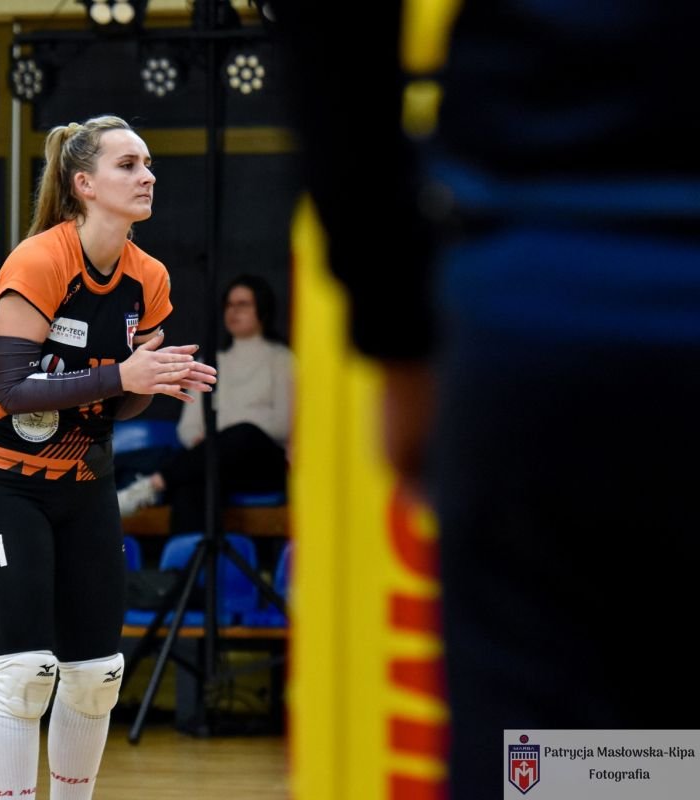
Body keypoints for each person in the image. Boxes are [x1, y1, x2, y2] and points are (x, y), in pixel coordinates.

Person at [278, 2, 700, 796]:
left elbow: (333, 33)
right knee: (656, 763)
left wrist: (395, 327)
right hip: (540, 286)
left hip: (538, 294)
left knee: (558, 764)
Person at [0, 114, 217, 799]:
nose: (147, 175)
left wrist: (150, 381)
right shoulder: (39, 261)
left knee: (98, 676)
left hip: (84, 482)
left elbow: (119, 405)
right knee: (26, 673)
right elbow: (14, 390)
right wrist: (123, 374)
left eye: (148, 163)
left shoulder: (148, 278)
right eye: (128, 164)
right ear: (84, 184)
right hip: (4, 482)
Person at [117, 274, 292, 532]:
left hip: (262, 463)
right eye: (229, 304)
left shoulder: (283, 360)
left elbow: (283, 424)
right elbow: (189, 428)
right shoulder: (209, 362)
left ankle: (152, 484)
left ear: (263, 309)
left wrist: (222, 435)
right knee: (194, 483)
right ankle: (190, 558)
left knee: (244, 433)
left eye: (243, 304)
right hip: (216, 462)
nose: (233, 311)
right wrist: (215, 440)